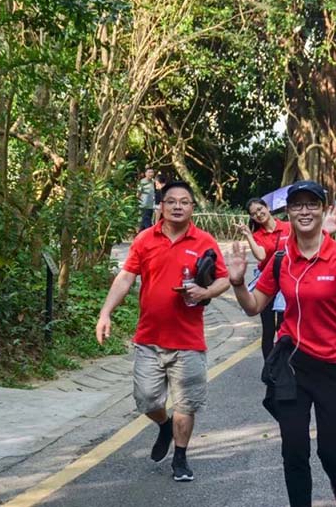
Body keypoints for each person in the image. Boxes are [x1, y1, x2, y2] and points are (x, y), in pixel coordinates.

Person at [228, 181, 336, 507]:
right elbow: (254, 306)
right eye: (297, 205)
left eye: (312, 204)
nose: (304, 211)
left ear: (322, 210)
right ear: (288, 212)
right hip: (292, 366)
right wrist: (237, 283)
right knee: (293, 449)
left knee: (331, 452)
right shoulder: (280, 260)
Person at [96, 181, 229, 482]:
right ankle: (164, 426)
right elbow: (125, 278)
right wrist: (105, 313)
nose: (178, 206)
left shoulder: (205, 241)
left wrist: (204, 292)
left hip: (189, 340)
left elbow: (223, 279)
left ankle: (180, 458)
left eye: (184, 201)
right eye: (171, 201)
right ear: (161, 206)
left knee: (186, 404)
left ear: (193, 207)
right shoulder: (145, 239)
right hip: (149, 339)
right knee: (148, 400)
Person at [235, 198, 291, 359]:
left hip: (288, 280)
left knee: (283, 326)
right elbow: (260, 256)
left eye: (260, 209)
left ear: (267, 207)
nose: (259, 214)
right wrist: (248, 235)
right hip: (267, 282)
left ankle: (284, 365)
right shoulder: (258, 235)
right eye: (254, 214)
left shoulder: (288, 227)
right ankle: (270, 368)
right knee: (268, 328)